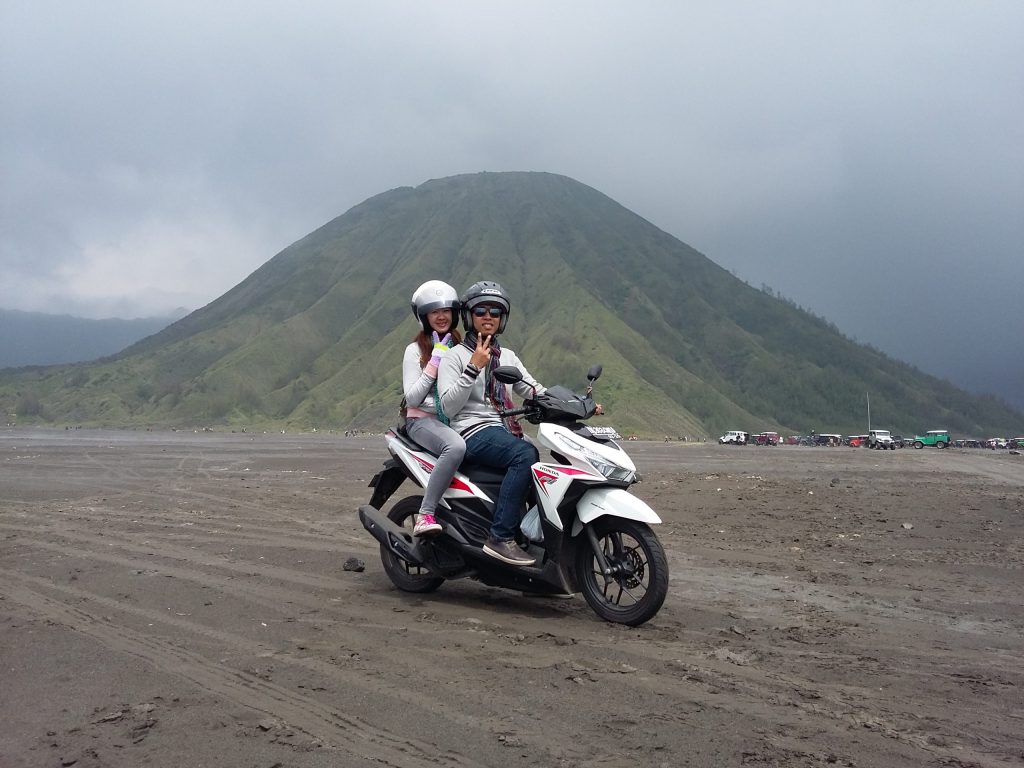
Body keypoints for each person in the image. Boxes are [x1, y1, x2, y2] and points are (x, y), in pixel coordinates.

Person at [436, 281, 544, 566]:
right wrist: (474, 367)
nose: (488, 317)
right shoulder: (455, 356)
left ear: (502, 319)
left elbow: (532, 388)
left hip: (503, 429)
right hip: (470, 430)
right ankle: (500, 537)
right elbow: (448, 406)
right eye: (481, 310)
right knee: (525, 454)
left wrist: (571, 403)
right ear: (470, 316)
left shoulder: (507, 357)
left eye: (495, 312)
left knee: (543, 467)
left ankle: (532, 537)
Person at [402, 280, 466, 537]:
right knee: (456, 447)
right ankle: (426, 513)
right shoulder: (414, 350)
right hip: (421, 420)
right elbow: (412, 399)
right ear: (424, 317)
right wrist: (434, 363)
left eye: (446, 310)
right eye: (434, 311)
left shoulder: (461, 348)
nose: (441, 316)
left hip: (452, 418)